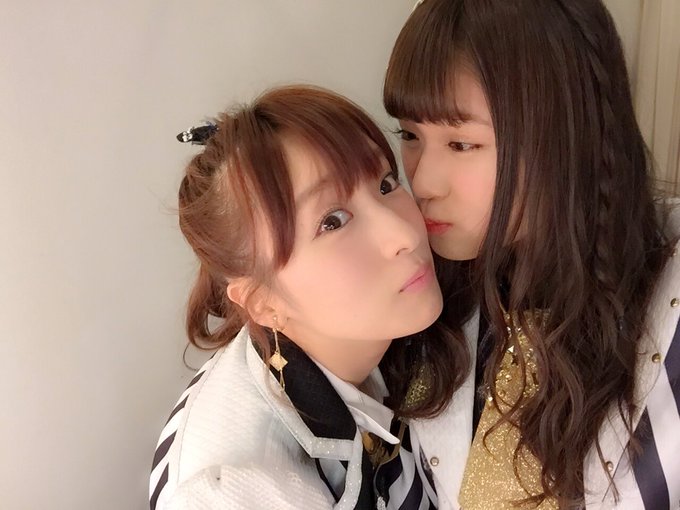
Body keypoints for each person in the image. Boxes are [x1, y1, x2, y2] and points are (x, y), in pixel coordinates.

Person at [383, 1, 680, 508]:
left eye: (461, 144)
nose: (423, 181)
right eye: (410, 135)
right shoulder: (425, 286)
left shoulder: (666, 300)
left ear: (565, 134)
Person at [149, 85, 469, 510]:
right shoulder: (237, 490)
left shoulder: (374, 336)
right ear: (263, 303)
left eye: (386, 183)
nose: (405, 234)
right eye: (332, 221)